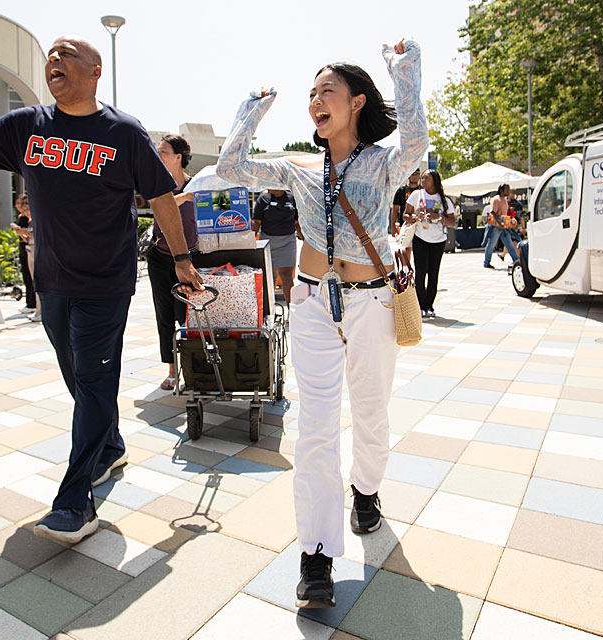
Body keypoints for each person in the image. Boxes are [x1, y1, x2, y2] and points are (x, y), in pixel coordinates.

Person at [0, 34, 202, 545]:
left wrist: (184, 259)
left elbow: (161, 196)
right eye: (50, 56)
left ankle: (74, 502)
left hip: (106, 279)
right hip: (52, 279)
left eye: (66, 53)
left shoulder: (123, 132)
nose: (53, 60)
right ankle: (109, 447)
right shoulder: (28, 126)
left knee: (94, 377)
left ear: (96, 69)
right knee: (79, 379)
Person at [216, 37, 424, 609]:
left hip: (372, 303)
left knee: (373, 412)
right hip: (310, 304)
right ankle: (315, 556)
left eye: (326, 91)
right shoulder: (299, 166)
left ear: (356, 102)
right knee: (315, 430)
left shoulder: (384, 163)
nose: (315, 101)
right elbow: (230, 166)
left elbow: (416, 143)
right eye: (310, 94)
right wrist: (250, 111)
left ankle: (367, 490)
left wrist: (406, 73)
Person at [149, 134, 198, 391]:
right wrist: (182, 198)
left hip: (190, 259)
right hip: (160, 258)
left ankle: (192, 366)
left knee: (188, 314)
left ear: (178, 157)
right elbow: (159, 207)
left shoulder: (197, 184)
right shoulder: (157, 185)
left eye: (163, 152)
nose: (159, 156)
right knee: (164, 314)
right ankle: (171, 368)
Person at [403, 170, 455, 318]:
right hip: (420, 238)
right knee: (420, 273)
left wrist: (438, 217)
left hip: (438, 240)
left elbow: (452, 221)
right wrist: (414, 217)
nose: (423, 180)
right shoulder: (416, 195)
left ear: (435, 180)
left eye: (427, 178)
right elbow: (405, 215)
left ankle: (429, 306)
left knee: (434, 273)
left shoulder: (444, 199)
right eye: (423, 177)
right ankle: (420, 305)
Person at [252, 189, 303, 303]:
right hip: (268, 242)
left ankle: (291, 314)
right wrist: (250, 241)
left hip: (288, 242)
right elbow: (257, 222)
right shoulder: (263, 199)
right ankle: (269, 312)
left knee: (287, 277)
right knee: (271, 277)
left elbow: (297, 222)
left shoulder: (291, 198)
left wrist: (305, 240)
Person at [10, 196, 41, 322]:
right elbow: (27, 238)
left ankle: (41, 310)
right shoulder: (30, 221)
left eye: (28, 209)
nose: (26, 212)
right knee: (34, 281)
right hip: (29, 250)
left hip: (36, 251)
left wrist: (24, 232)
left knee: (38, 281)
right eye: (24, 210)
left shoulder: (38, 220)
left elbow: (36, 235)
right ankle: (38, 309)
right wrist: (21, 232)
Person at [483, 183, 519, 269]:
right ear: (502, 190)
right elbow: (493, 212)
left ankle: (516, 261)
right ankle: (486, 262)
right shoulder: (496, 199)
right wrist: (500, 223)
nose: (509, 191)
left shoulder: (504, 200)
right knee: (491, 244)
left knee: (509, 244)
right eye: (507, 189)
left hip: (504, 226)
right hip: (496, 226)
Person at [391, 167, 420, 262]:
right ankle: (405, 270)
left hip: (419, 224)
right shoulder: (401, 191)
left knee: (418, 249)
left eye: (417, 174)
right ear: (408, 175)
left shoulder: (422, 191)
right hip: (405, 224)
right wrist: (393, 226)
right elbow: (395, 210)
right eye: (413, 174)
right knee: (405, 247)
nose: (415, 176)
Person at [13, 193, 36, 313]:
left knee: (33, 278)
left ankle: (34, 304)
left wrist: (22, 232)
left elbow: (33, 236)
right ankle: (31, 303)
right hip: (27, 248)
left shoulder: (33, 220)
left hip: (33, 249)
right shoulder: (25, 219)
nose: (22, 208)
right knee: (28, 276)